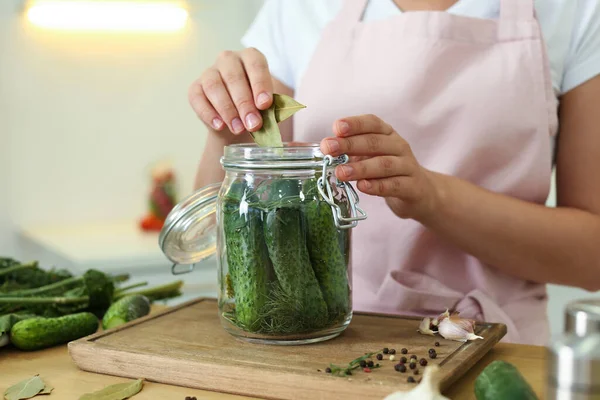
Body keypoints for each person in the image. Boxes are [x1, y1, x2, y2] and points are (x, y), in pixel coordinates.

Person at [188, 0, 600, 345]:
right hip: (322, 339)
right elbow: (217, 218)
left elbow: (591, 258)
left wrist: (431, 197)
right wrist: (223, 128)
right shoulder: (299, 8)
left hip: (496, 346)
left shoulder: (574, 10)